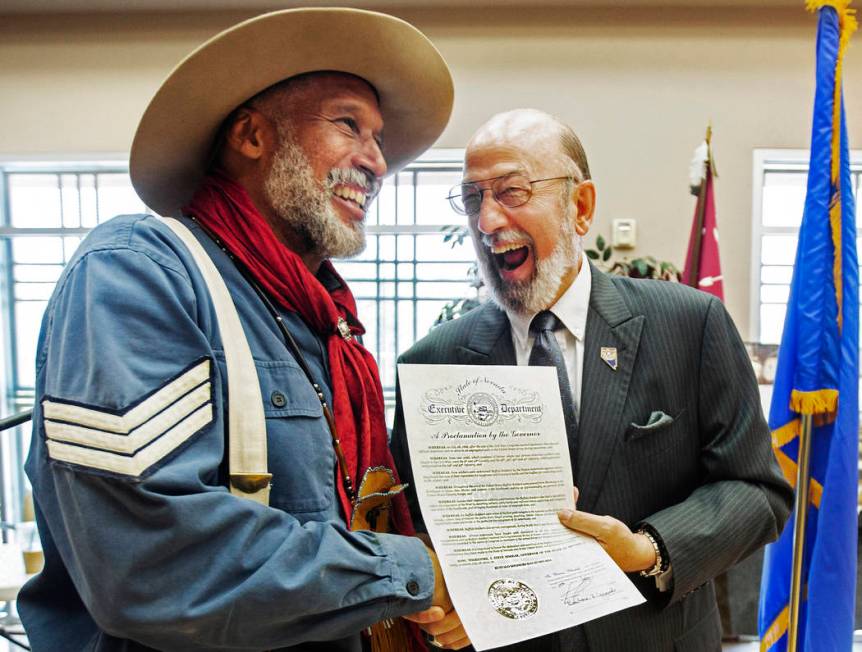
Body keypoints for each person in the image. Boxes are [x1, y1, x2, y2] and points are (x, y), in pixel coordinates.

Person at [19, 8, 470, 651]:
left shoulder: (324, 322)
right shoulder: (140, 271)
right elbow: (149, 560)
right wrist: (411, 572)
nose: (377, 161)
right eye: (349, 124)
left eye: (380, 140)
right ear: (252, 135)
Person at [391, 109, 794, 651]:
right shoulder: (432, 362)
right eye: (472, 200)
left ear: (580, 207)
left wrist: (649, 550)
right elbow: (412, 517)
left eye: (511, 192)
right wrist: (449, 592)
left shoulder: (690, 325)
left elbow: (756, 490)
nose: (485, 222)